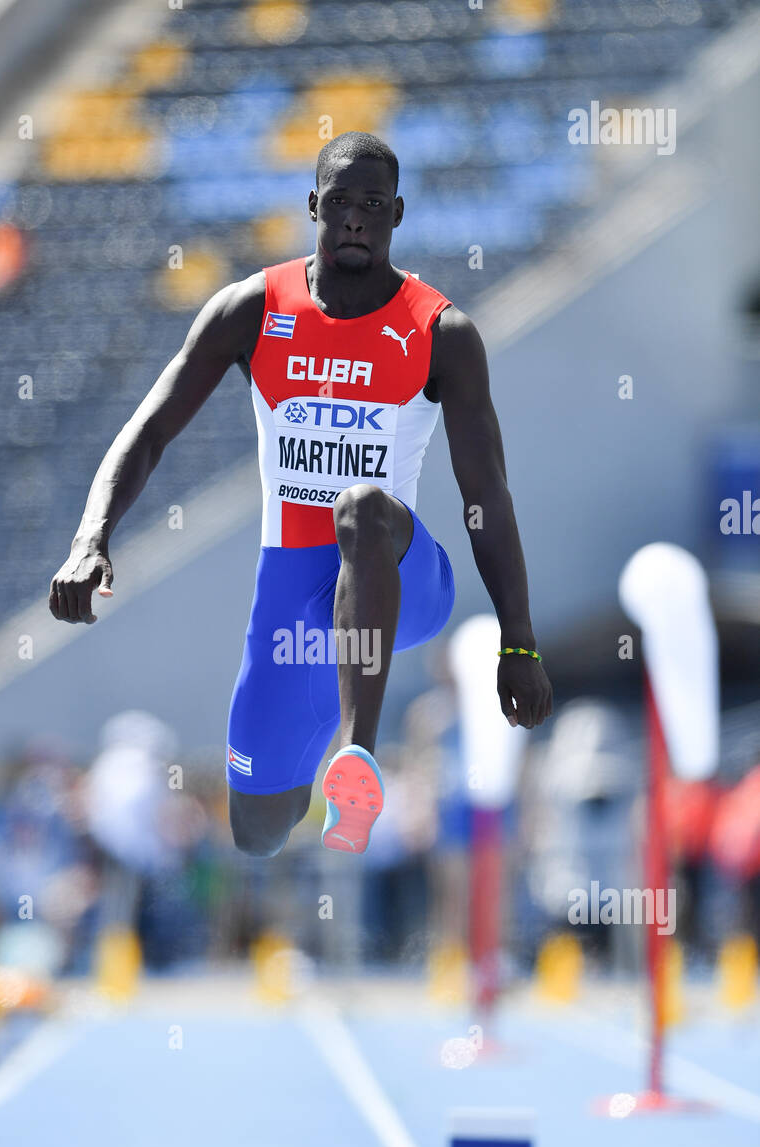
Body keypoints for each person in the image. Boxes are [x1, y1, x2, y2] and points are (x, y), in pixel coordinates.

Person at [49, 131, 552, 858]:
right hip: (295, 601)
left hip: (402, 578)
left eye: (373, 205)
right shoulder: (250, 310)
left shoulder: (442, 333)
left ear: (398, 215)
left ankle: (359, 751)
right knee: (257, 831)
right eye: (341, 202)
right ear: (313, 205)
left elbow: (488, 496)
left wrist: (520, 641)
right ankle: (319, 767)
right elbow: (150, 429)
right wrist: (89, 539)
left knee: (363, 507)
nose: (355, 219)